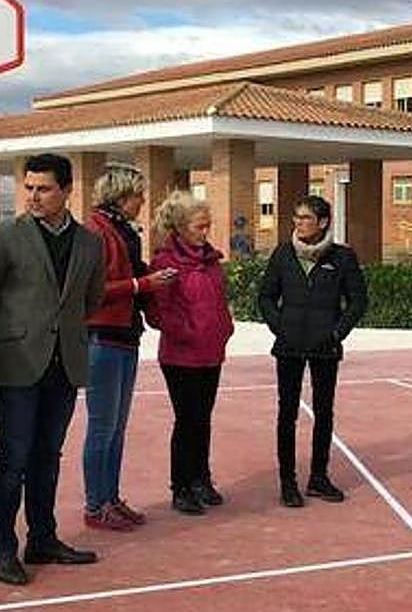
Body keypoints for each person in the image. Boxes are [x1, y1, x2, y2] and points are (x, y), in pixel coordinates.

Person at [0, 153, 106, 586]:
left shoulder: (89, 243)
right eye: (28, 188)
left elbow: (91, 299)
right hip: (15, 366)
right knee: (13, 458)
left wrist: (61, 334)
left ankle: (42, 538)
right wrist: (13, 333)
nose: (33, 196)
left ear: (66, 191)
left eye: (43, 189)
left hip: (65, 364)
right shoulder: (3, 238)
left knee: (48, 456)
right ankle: (2, 548)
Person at [257, 195, 367, 508]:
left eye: (305, 218)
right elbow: (266, 297)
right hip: (289, 347)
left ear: (322, 222)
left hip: (325, 347)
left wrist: (336, 333)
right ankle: (287, 482)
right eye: (296, 217)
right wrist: (280, 327)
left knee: (324, 413)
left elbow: (358, 301)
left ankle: (318, 477)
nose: (299, 223)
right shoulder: (283, 254)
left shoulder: (342, 257)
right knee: (287, 413)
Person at [81, 164, 174, 531]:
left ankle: (110, 497)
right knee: (102, 426)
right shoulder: (95, 232)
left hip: (124, 336)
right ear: (121, 196)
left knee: (117, 427)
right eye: (138, 195)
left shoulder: (122, 231)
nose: (142, 202)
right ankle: (94, 505)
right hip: (101, 337)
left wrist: (149, 286)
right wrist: (141, 284)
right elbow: (92, 290)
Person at [144, 190, 233, 515]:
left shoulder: (211, 261)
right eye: (199, 226)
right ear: (180, 228)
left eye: (208, 226)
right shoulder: (165, 263)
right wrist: (187, 332)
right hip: (181, 356)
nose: (205, 232)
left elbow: (218, 302)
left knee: (203, 419)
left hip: (211, 352)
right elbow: (157, 312)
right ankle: (181, 486)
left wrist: (225, 328)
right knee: (187, 420)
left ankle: (201, 478)